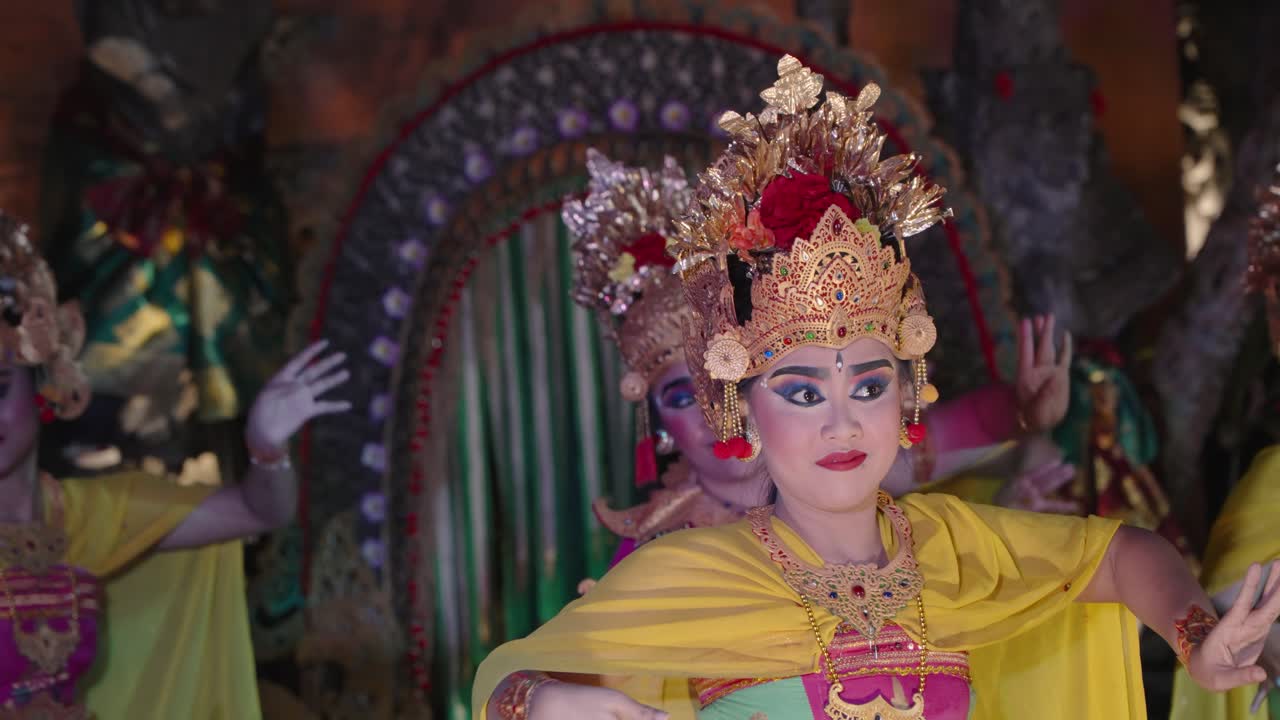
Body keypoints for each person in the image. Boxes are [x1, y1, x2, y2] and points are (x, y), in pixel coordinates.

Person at [473, 57, 1280, 720]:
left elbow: (1123, 552)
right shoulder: (689, 572)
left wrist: (1196, 637)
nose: (842, 424)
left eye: (867, 386)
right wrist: (543, 704)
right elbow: (504, 683)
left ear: (907, 395)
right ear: (741, 408)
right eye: (801, 393)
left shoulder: (955, 547)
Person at [564, 151, 1080, 581]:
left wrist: (1024, 413)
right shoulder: (658, 556)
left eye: (722, 384)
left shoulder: (837, 466)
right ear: (656, 422)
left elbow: (961, 432)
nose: (712, 407)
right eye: (682, 395)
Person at [0, 212, 350, 717]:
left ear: (43, 384)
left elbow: (258, 511)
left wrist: (266, 449)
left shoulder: (90, 517)